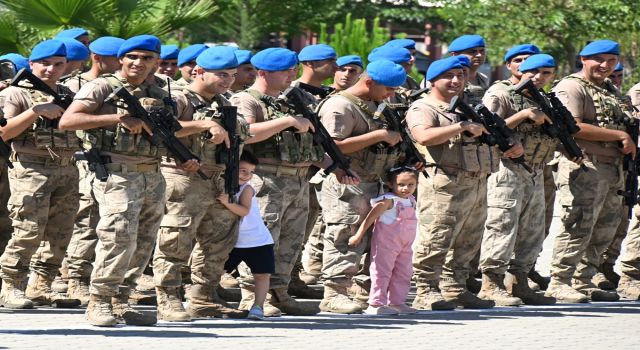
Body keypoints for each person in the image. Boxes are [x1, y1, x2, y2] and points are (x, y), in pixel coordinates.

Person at [230, 47, 358, 317]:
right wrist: (287, 121)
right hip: (266, 180)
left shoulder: (294, 100)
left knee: (291, 241)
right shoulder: (248, 100)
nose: (292, 75)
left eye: (292, 70)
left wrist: (334, 167)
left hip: (298, 179)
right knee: (261, 240)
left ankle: (279, 292)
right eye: (285, 72)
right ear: (264, 73)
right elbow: (246, 133)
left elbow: (311, 143)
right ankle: (252, 296)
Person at [59, 34, 177, 327]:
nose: (139, 63)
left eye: (147, 58)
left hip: (152, 173)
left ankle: (122, 300)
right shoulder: (102, 87)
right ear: (122, 59)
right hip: (116, 174)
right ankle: (99, 301)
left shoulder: (160, 91)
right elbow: (67, 121)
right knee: (117, 237)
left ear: (156, 62)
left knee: (144, 240)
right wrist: (115, 119)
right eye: (133, 57)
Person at [407, 56, 524, 310]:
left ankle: (455, 287)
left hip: (476, 181)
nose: (456, 81)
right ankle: (425, 290)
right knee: (436, 237)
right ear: (433, 80)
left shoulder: (465, 107)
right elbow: (423, 136)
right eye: (449, 76)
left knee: (469, 239)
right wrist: (461, 127)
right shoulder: (423, 107)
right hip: (444, 184)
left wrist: (511, 144)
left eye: (460, 76)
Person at [151, 45, 251, 322]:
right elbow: (161, 130)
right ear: (198, 71)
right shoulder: (178, 98)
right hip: (185, 177)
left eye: (231, 75)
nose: (227, 80)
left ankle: (203, 297)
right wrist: (203, 125)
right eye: (221, 74)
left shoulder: (226, 102)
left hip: (220, 177)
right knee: (176, 240)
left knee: (218, 241)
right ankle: (168, 299)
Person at [317, 60, 406, 314]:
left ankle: (362, 289)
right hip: (349, 183)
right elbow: (332, 145)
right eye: (388, 89)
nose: (392, 94)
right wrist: (378, 136)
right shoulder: (340, 105)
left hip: (375, 182)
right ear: (369, 82)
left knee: (374, 240)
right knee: (345, 236)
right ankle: (334, 293)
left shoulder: (377, 104)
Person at [546, 39, 631, 303]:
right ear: (584, 59)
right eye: (600, 59)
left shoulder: (609, 90)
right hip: (585, 165)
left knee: (604, 228)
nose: (606, 66)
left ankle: (583, 280)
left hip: (613, 168)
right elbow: (573, 126)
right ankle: (559, 281)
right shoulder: (572, 86)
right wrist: (618, 134)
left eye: (612, 61)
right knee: (578, 224)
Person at [0, 39, 80, 309]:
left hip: (66, 168)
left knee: (60, 231)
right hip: (32, 168)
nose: (50, 69)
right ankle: (11, 285)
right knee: (27, 229)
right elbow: (5, 132)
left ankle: (41, 285)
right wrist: (35, 111)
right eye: (44, 64)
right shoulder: (17, 93)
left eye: (58, 64)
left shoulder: (68, 92)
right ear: (32, 64)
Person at [478, 53, 559, 306]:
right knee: (502, 225)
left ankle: (519, 280)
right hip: (507, 169)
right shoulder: (501, 93)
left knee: (532, 229)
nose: (538, 78)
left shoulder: (544, 98)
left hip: (534, 169)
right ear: (521, 71)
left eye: (546, 73)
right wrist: (523, 116)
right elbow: (486, 128)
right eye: (533, 72)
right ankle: (491, 284)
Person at [60, 36, 125, 306]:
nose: (122, 63)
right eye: (115, 58)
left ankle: (98, 279)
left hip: (106, 162)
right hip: (79, 160)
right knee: (86, 218)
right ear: (98, 58)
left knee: (106, 221)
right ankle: (74, 277)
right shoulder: (73, 86)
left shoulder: (124, 87)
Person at [348, 166, 418, 315]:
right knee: (382, 272)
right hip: (386, 245)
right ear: (391, 184)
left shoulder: (411, 200)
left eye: (411, 184)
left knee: (403, 273)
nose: (406, 188)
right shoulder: (388, 201)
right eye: (401, 185)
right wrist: (359, 235)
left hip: (405, 246)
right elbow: (371, 217)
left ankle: (397, 302)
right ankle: (376, 303)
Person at [220, 151, 275, 320]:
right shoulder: (221, 184)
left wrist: (226, 202)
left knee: (261, 275)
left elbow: (244, 210)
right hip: (234, 242)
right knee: (217, 271)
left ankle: (258, 307)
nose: (247, 176)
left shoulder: (247, 189)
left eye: (251, 172)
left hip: (258, 241)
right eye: (243, 170)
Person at [449, 34, 490, 106]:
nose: (479, 55)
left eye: (482, 51)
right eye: (472, 51)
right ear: (454, 55)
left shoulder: (483, 78)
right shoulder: (440, 78)